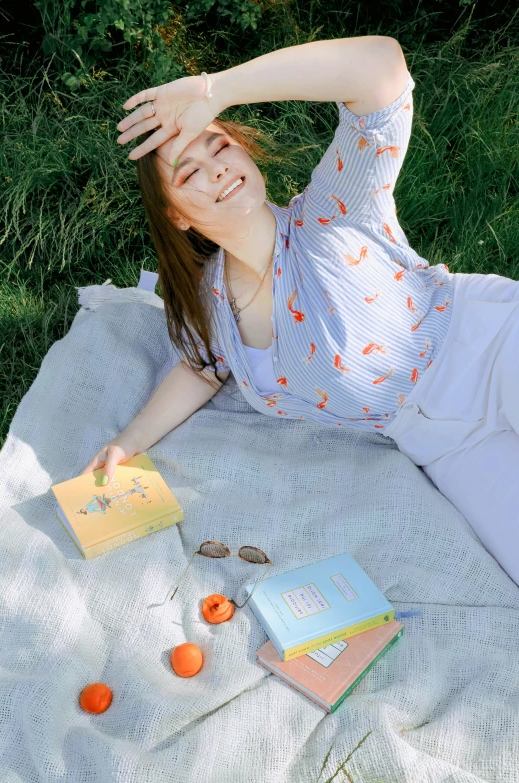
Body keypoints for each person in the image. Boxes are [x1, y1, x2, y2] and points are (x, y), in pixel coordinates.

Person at [80, 36, 519, 586]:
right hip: (445, 443)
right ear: (177, 216)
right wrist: (128, 442)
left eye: (219, 147)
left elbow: (381, 69)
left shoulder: (335, 212)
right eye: (189, 172)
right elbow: (201, 368)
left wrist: (217, 90)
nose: (215, 170)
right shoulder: (212, 302)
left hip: (491, 346)